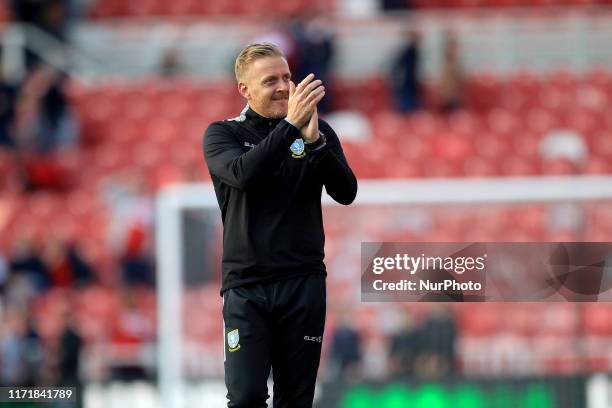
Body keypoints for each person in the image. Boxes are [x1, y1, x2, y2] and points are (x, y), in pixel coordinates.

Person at [203, 42, 357, 408]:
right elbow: (243, 174)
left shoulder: (317, 131)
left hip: (303, 284)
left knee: (296, 400)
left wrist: (315, 142)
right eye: (271, 80)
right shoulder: (222, 134)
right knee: (246, 397)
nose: (284, 87)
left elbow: (346, 191)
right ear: (245, 90)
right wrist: (290, 127)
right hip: (247, 287)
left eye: (287, 77)